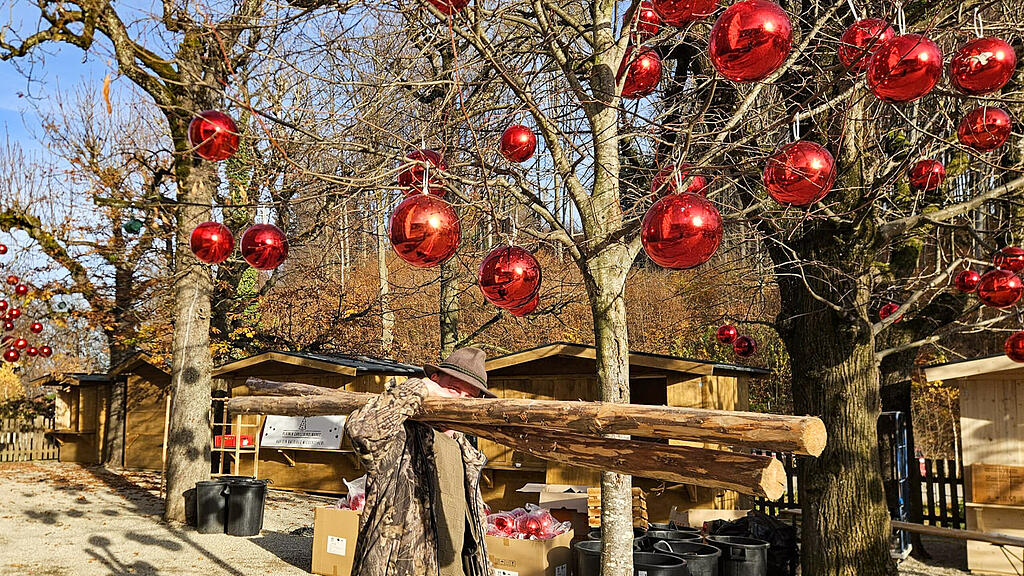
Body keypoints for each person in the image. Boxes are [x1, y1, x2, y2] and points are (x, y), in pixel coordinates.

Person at [345, 346, 496, 576]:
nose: (459, 403)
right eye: (453, 389)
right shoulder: (400, 437)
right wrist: (419, 387)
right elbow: (361, 429)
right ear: (434, 381)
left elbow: (473, 536)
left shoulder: (468, 455)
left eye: (469, 398)